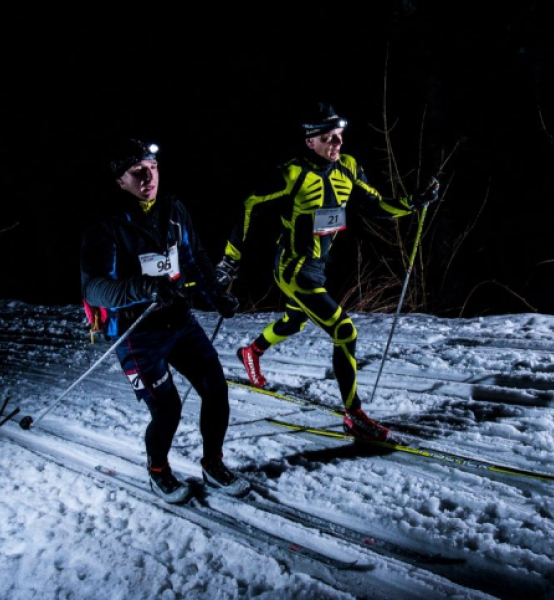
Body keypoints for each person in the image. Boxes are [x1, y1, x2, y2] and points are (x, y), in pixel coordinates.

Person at [216, 102, 439, 442]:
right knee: (345, 331)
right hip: (294, 270)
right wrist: (229, 260)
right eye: (328, 138)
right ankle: (354, 415)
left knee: (294, 321)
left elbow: (376, 205)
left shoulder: (348, 167)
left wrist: (413, 202)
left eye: (339, 136)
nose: (337, 144)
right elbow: (250, 205)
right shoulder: (293, 173)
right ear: (310, 142)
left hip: (318, 267)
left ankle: (252, 352)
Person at [80, 138, 249, 502]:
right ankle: (159, 471)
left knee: (215, 388)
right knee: (168, 408)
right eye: (137, 171)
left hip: (179, 320)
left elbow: (193, 257)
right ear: (119, 182)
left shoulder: (172, 209)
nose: (148, 176)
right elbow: (94, 288)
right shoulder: (106, 226)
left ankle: (213, 464)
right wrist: (146, 287)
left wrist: (215, 295)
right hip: (137, 332)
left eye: (153, 168)